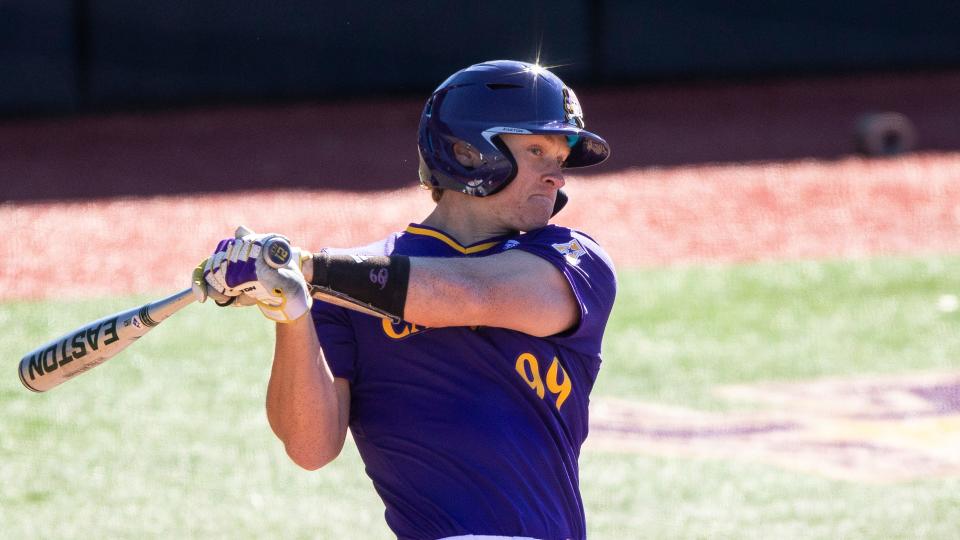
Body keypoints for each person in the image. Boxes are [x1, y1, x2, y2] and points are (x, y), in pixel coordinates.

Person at [197, 60, 616, 540]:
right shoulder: (343, 290)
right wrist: (288, 308)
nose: (555, 177)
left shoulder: (572, 258)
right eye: (538, 150)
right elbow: (309, 446)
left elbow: (467, 293)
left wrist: (308, 271)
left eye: (559, 160)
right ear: (467, 152)